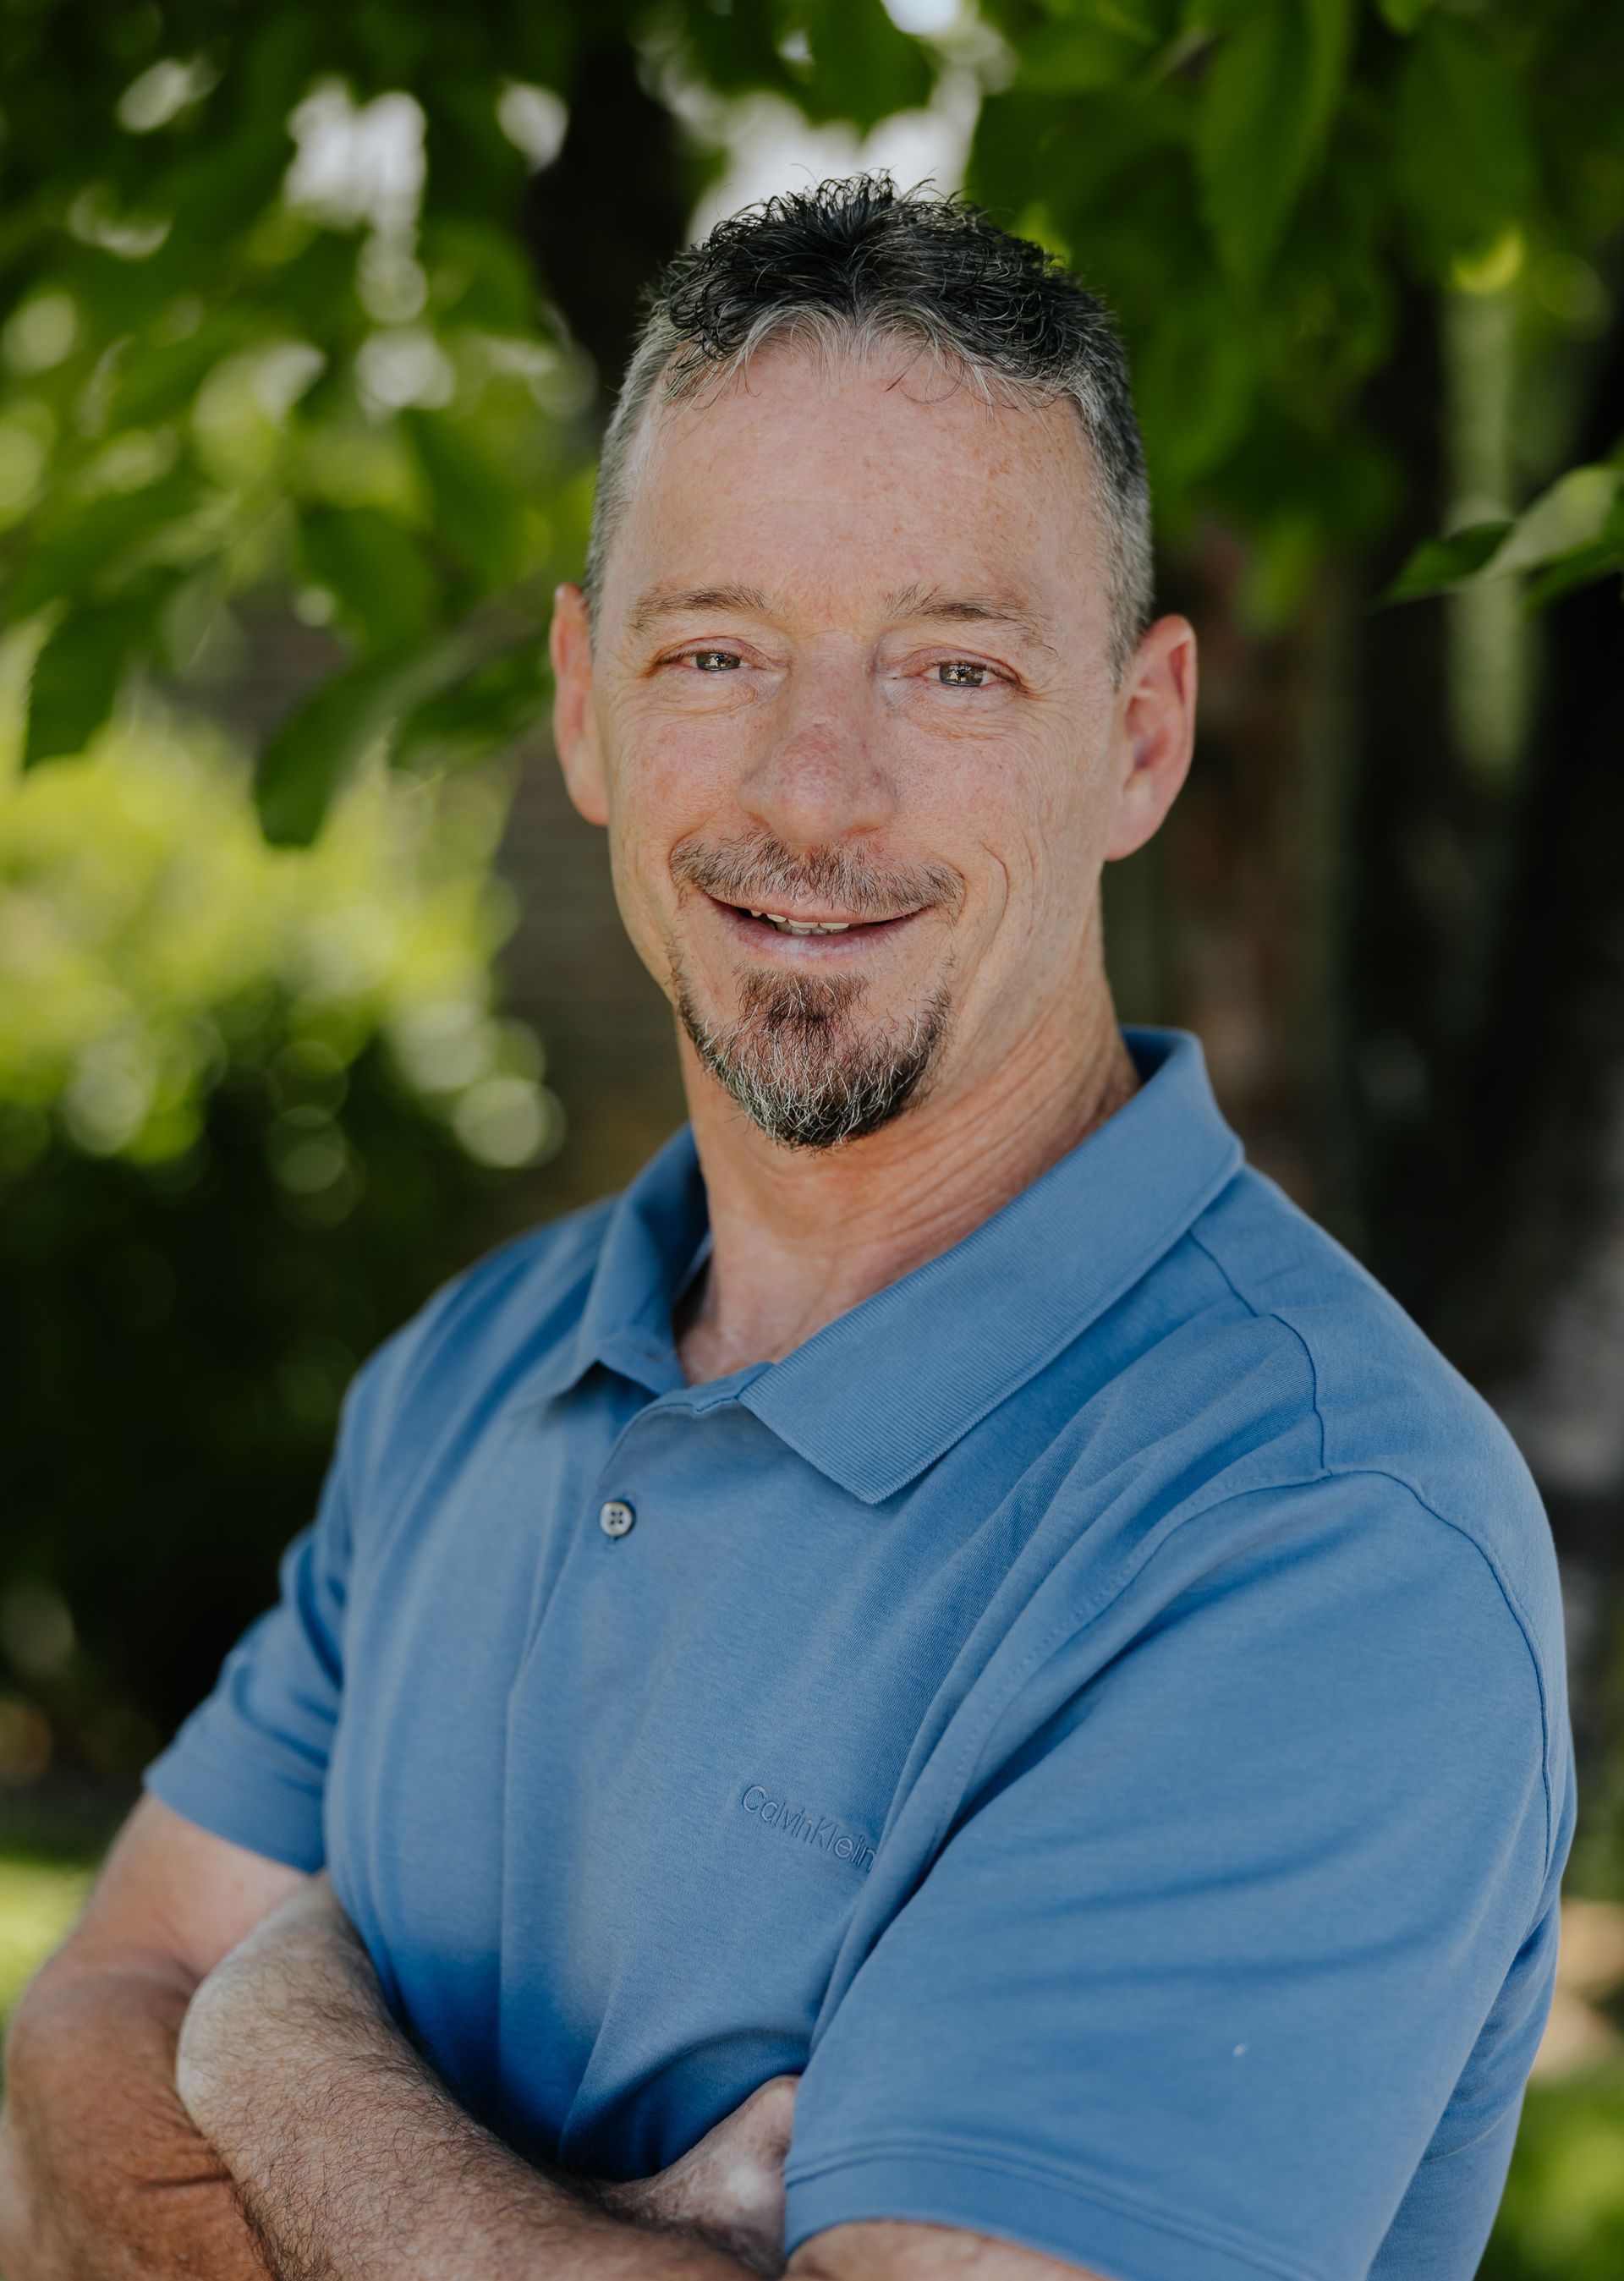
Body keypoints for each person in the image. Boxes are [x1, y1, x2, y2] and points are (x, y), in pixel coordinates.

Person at [0, 177, 1572, 2281]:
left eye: (952, 668)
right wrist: (613, 2242)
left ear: (1141, 736)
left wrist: (285, 2036)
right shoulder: (473, 1369)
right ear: (584, 704)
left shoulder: (1314, 1534)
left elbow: (185, 2037)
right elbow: (70, 2086)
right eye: (718, 650)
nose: (815, 794)